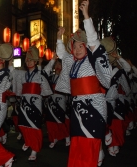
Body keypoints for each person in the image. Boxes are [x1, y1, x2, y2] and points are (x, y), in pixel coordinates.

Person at [56, 0, 111, 166]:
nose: (78, 49)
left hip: (94, 106)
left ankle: (97, 150)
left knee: (88, 141)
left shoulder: (93, 60)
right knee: (78, 141)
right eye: (75, 46)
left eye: (82, 45)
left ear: (87, 47)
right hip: (77, 107)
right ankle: (98, 150)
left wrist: (86, 16)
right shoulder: (71, 62)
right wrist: (59, 37)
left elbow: (94, 41)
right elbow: (61, 55)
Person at [9, 46, 52, 161]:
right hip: (24, 102)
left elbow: (45, 84)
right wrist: (9, 61)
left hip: (35, 103)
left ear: (36, 61)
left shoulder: (40, 73)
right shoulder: (22, 74)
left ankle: (34, 149)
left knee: (34, 126)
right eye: (27, 60)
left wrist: (51, 60)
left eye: (31, 60)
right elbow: (12, 72)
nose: (28, 62)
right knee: (22, 124)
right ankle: (28, 141)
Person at [100, 37, 131, 156]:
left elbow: (127, 69)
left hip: (114, 101)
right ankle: (108, 142)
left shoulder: (117, 71)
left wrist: (118, 57)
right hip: (101, 100)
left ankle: (115, 144)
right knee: (103, 124)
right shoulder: (99, 69)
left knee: (116, 124)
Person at [39, 54, 70, 148]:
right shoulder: (51, 77)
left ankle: (67, 136)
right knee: (50, 121)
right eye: (56, 65)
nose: (57, 66)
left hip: (61, 101)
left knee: (60, 120)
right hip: (50, 101)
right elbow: (43, 73)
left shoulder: (65, 77)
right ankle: (53, 138)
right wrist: (52, 60)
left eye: (59, 65)